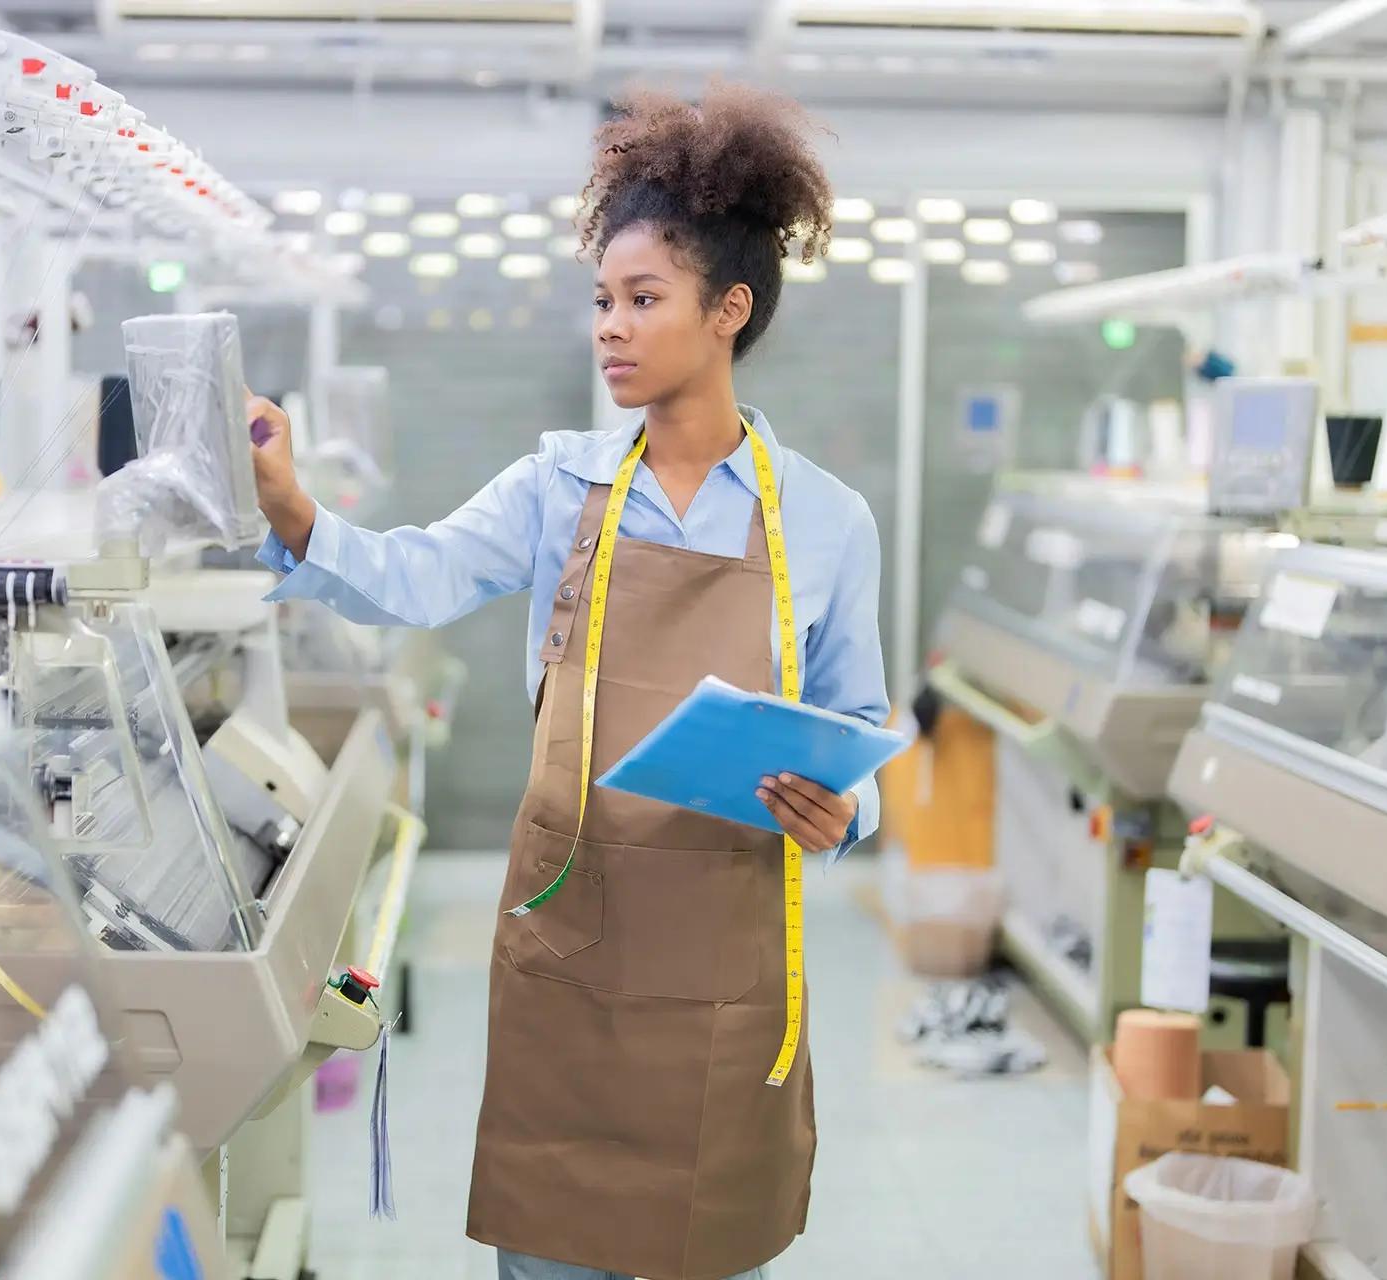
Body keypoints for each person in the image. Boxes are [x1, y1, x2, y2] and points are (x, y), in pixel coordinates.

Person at [249, 82, 889, 1280]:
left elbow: (860, 720)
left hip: (723, 982)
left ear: (728, 311)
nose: (610, 326)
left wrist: (846, 810)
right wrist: (295, 513)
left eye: (644, 299)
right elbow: (418, 574)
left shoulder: (827, 518)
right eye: (602, 299)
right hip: (573, 957)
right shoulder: (560, 487)